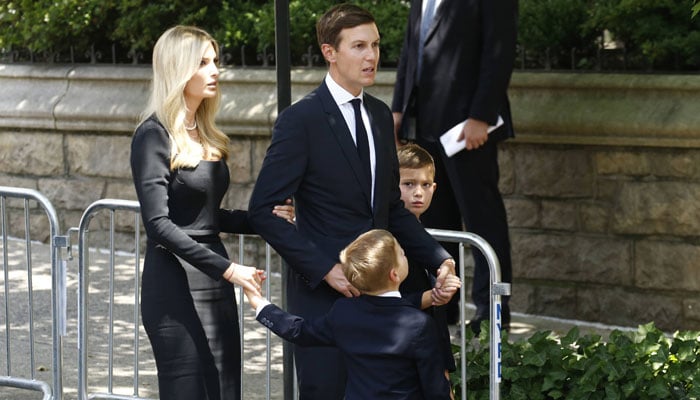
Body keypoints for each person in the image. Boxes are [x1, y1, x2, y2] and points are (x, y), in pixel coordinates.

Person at [247, 4, 457, 399]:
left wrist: (439, 258)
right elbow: (263, 210)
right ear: (330, 52)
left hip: (381, 309)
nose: (372, 56)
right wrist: (326, 269)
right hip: (324, 300)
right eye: (359, 46)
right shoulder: (301, 120)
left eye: (375, 45)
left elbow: (391, 208)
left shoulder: (379, 115)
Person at [130, 25, 294, 400]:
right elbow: (158, 225)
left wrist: (261, 219)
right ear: (178, 69)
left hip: (215, 280)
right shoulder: (153, 135)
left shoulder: (205, 134)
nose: (215, 70)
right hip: (173, 282)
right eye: (203, 62)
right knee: (188, 390)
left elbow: (204, 217)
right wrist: (231, 269)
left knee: (224, 390)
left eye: (215, 61)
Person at [392, 0, 518, 332]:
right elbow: (412, 51)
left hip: (468, 130)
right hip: (424, 124)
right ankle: (442, 307)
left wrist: (481, 115)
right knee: (434, 218)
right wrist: (398, 109)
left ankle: (491, 311)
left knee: (481, 220)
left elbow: (499, 50)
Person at [243, 229, 457, 399]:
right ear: (394, 274)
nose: (405, 255)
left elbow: (299, 330)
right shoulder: (419, 324)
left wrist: (259, 304)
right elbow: (435, 388)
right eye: (402, 253)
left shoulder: (344, 312)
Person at [397, 143, 456, 379]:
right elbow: (383, 302)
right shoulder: (387, 241)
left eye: (425, 184)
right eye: (408, 184)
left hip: (432, 348)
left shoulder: (426, 238)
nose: (418, 192)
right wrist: (431, 297)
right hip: (402, 352)